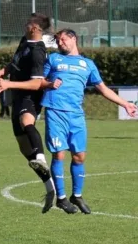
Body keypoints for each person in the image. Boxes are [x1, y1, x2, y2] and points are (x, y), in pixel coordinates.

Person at [41, 29, 136, 213]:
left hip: (76, 115)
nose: (60, 43)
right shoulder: (53, 59)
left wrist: (125, 104)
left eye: (63, 39)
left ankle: (76, 195)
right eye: (58, 41)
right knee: (59, 154)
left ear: (73, 39)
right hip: (55, 112)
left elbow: (103, 88)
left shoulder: (88, 64)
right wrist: (48, 85)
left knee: (79, 156)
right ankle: (61, 198)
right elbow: (39, 82)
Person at [0, 13, 55, 213]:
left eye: (29, 22)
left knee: (27, 123)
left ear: (36, 28)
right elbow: (14, 64)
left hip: (30, 97)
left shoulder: (38, 52)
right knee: (23, 147)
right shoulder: (24, 42)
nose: (26, 23)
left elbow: (37, 83)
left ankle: (42, 158)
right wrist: (1, 72)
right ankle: (49, 187)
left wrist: (8, 83)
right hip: (18, 96)